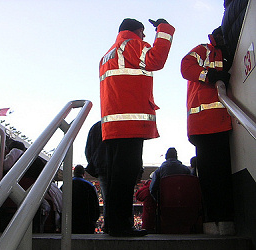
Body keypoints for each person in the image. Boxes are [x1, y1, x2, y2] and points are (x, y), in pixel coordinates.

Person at [100, 17, 175, 237]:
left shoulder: (109, 53)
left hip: (114, 124)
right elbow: (155, 60)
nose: (144, 38)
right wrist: (164, 29)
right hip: (129, 123)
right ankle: (121, 226)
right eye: (143, 34)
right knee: (126, 175)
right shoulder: (130, 44)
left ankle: (113, 225)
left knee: (117, 177)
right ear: (138, 31)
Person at [181, 26, 235, 235]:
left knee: (221, 174)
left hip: (221, 123)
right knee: (211, 176)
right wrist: (210, 75)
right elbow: (186, 66)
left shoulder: (229, 53)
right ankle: (214, 220)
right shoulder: (204, 50)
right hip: (203, 124)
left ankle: (223, 219)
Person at [85, 121, 108, 230]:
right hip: (122, 166)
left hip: (103, 167)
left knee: (107, 199)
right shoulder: (124, 124)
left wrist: (95, 167)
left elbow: (88, 150)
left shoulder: (96, 127)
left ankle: (109, 225)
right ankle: (125, 225)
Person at [71, 165, 100, 234]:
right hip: (86, 223)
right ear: (84, 174)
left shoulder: (65, 185)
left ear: (74, 173)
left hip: (70, 222)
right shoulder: (90, 186)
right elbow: (95, 206)